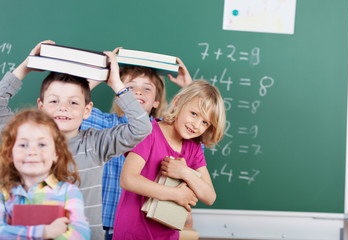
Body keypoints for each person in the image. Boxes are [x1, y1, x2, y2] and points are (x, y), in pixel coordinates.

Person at [0, 40, 152, 240]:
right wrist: (27, 65)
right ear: (41, 105)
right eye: (54, 101)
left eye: (73, 102)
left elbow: (142, 127)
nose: (63, 107)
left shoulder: (96, 144)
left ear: (87, 110)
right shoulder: (26, 137)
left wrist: (117, 83)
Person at [81, 49, 193, 239]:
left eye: (147, 88)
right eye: (130, 87)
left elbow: (194, 144)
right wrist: (104, 73)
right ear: (118, 93)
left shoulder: (163, 132)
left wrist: (189, 89)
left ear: (157, 101)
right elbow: (75, 107)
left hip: (141, 223)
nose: (138, 91)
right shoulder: (106, 123)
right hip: (102, 221)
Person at [112, 79, 226, 239]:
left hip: (168, 234)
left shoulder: (194, 147)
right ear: (178, 102)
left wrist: (185, 172)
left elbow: (209, 197)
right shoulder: (149, 132)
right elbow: (128, 179)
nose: (196, 125)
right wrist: (175, 194)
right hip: (132, 231)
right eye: (194, 114)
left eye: (205, 122)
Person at [0, 109, 90, 239]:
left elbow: (80, 234)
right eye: (23, 145)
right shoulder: (4, 194)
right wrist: (44, 232)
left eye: (42, 144)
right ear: (10, 154)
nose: (32, 151)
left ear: (56, 153)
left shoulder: (68, 192)